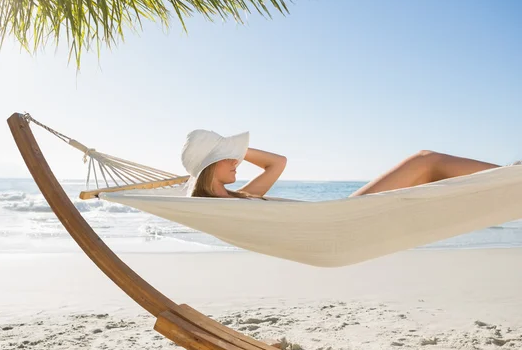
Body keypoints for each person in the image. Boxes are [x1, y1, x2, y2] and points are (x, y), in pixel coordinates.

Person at [181, 129, 503, 199]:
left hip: (336, 215)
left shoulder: (241, 197)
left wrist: (231, 152)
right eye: (229, 159)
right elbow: (278, 163)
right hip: (334, 222)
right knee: (426, 161)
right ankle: (510, 177)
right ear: (211, 167)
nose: (238, 162)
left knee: (429, 169)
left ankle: (508, 179)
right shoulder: (222, 205)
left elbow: (277, 163)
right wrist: (225, 151)